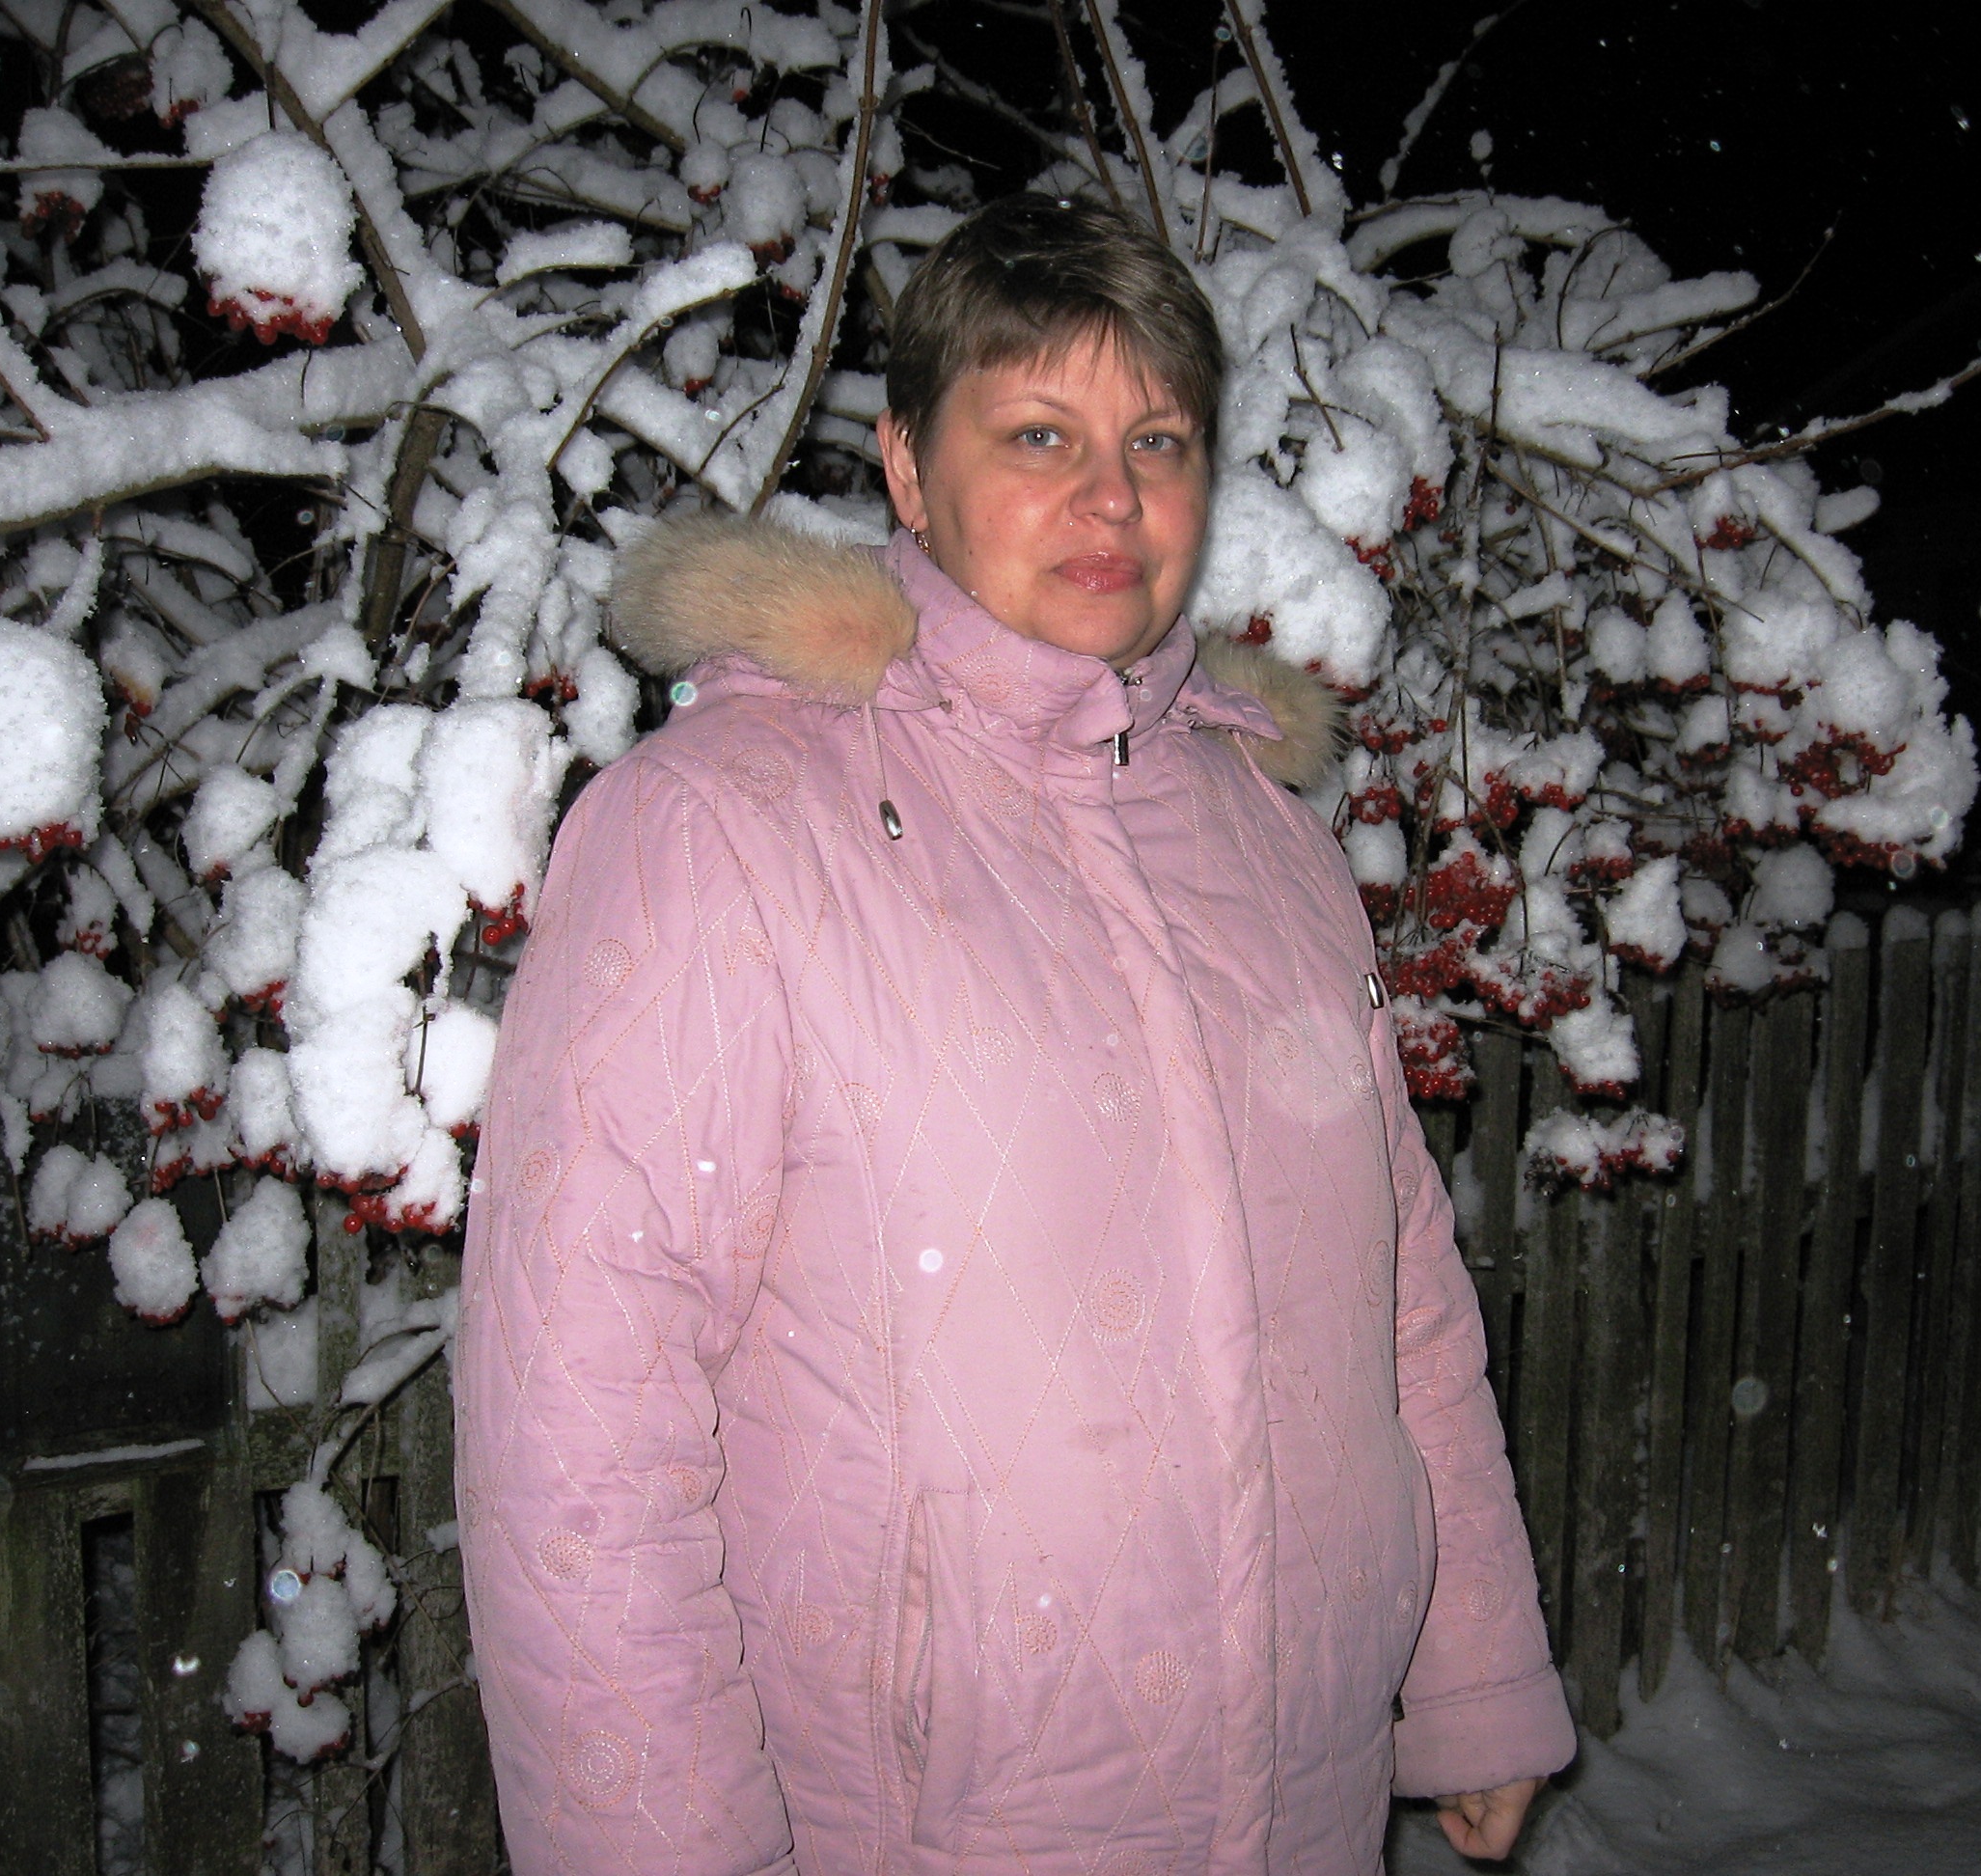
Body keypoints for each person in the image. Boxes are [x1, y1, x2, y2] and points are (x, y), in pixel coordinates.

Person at [456, 194, 1575, 1875]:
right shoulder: (724, 831)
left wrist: (1471, 1673)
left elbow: (1399, 1300)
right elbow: (579, 1429)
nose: (1112, 496)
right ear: (910, 470)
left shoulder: (1268, 845)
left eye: (1158, 441)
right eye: (1041, 433)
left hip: (1307, 1801)